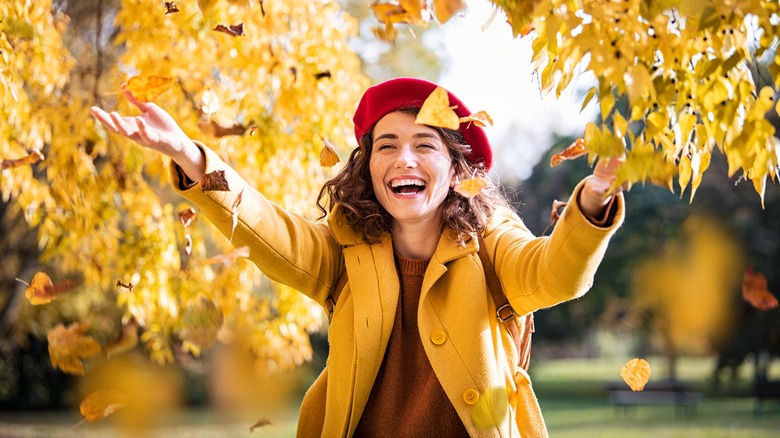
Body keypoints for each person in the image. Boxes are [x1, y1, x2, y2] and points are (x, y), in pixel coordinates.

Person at [90, 77, 624, 437]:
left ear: (459, 171)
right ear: (368, 166)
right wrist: (190, 154)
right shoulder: (342, 248)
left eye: (425, 144)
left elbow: (554, 275)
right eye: (386, 145)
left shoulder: (492, 241)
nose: (402, 158)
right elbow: (266, 228)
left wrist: (594, 201)